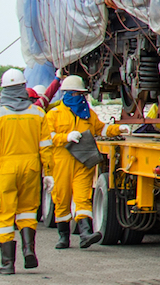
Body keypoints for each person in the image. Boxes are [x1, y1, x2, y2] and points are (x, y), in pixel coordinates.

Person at [0, 69, 47, 274]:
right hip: (32, 167)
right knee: (27, 210)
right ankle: (29, 249)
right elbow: (46, 147)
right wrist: (50, 172)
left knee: (3, 214)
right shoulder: (38, 113)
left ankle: (8, 263)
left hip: (7, 168)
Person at [42, 75, 104, 249]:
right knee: (61, 199)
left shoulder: (88, 114)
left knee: (83, 197)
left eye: (81, 94)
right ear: (67, 94)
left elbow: (101, 128)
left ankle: (85, 234)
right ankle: (63, 237)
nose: (80, 97)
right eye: (76, 94)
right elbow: (48, 137)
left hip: (83, 162)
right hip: (61, 162)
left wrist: (118, 129)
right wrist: (66, 137)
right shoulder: (54, 115)